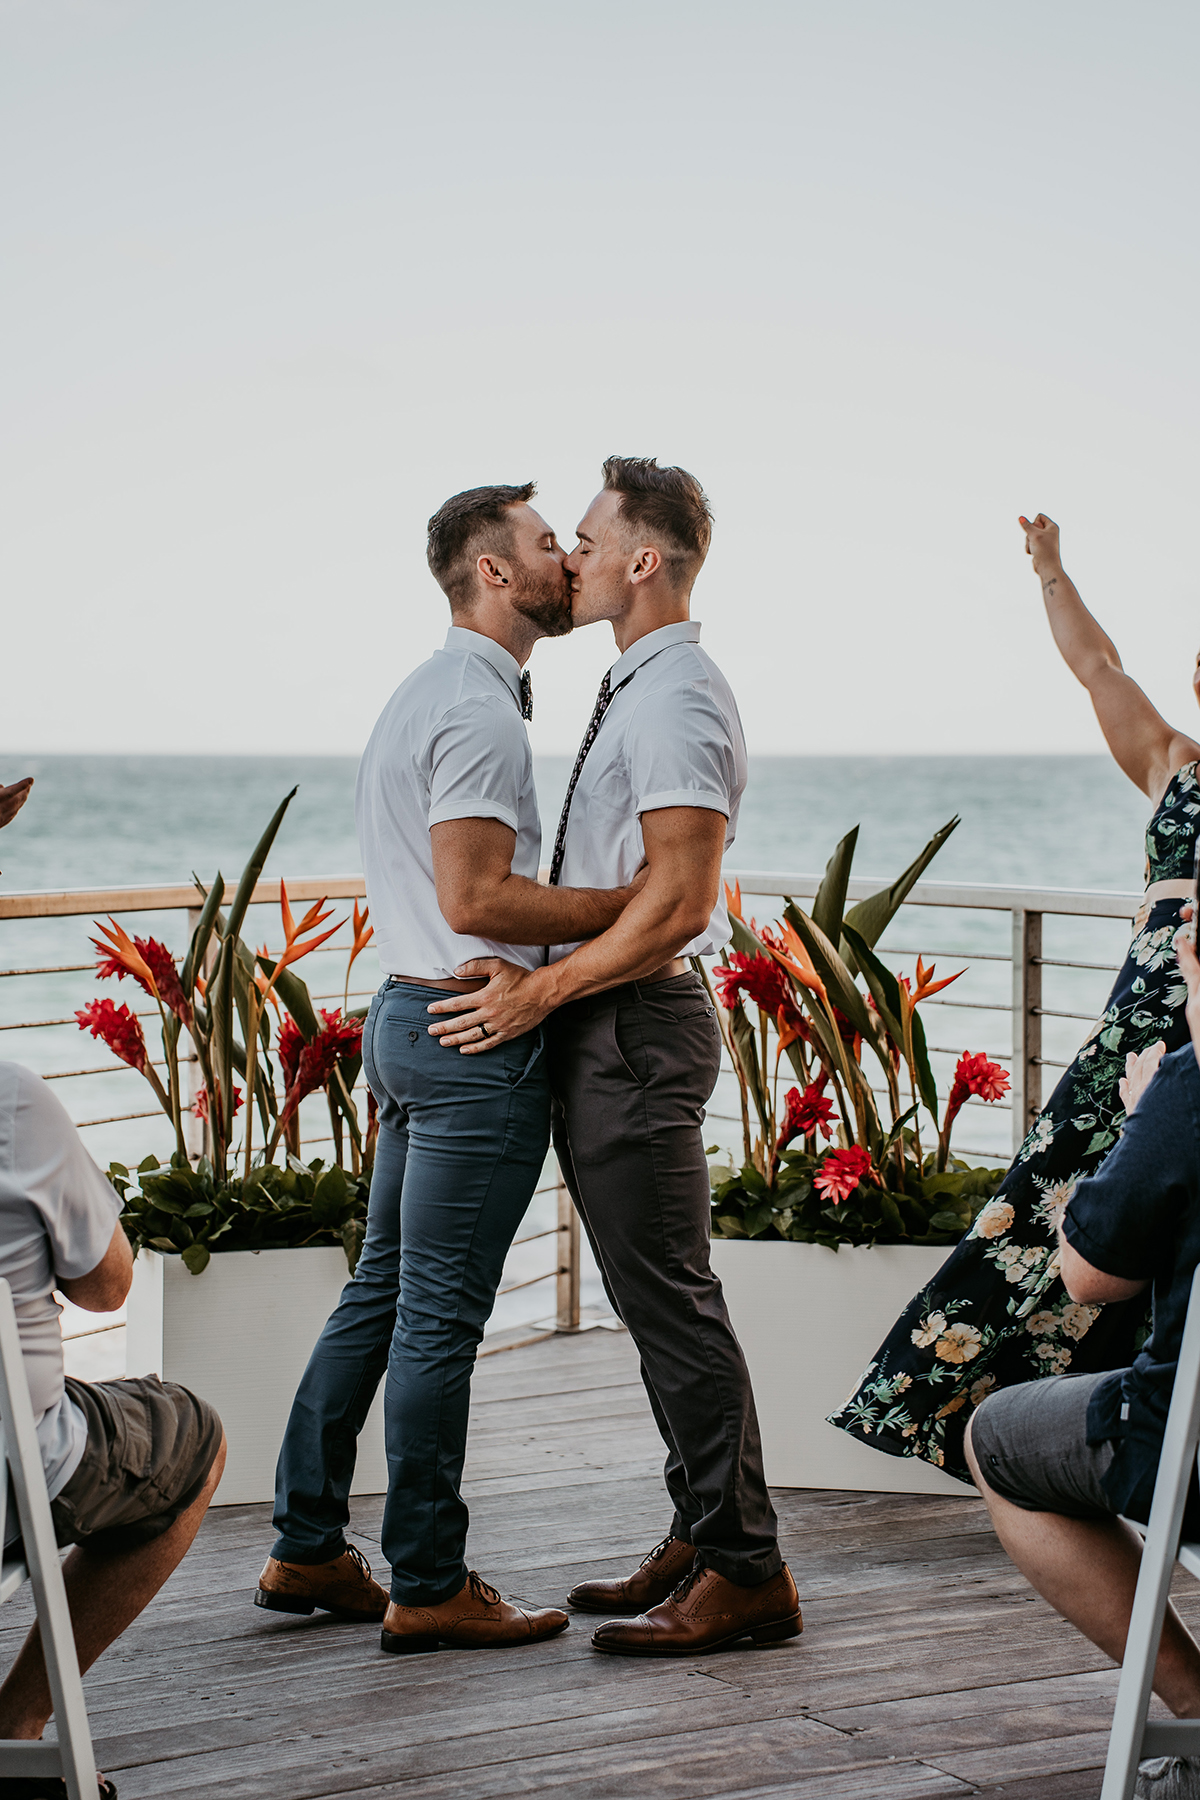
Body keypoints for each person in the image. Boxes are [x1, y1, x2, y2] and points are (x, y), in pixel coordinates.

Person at [259, 482, 647, 1655]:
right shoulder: (477, 711)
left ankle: (308, 1545)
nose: (567, 563)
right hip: (472, 1040)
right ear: (492, 572)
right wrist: (635, 904)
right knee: (436, 1317)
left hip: (406, 1015)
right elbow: (476, 896)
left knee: (381, 1290)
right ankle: (429, 1580)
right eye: (547, 545)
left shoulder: (423, 693)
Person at [428, 456, 799, 1657]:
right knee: (658, 1305)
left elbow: (684, 902)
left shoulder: (680, 694)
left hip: (637, 1031)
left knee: (672, 1304)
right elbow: (625, 886)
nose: (570, 557)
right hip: (614, 1026)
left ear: (644, 560)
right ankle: (705, 1529)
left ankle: (747, 1570)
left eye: (586, 538)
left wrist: (545, 990)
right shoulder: (640, 685)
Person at [831, 511, 1200, 1482]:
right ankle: (990, 1422)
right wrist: (1050, 570)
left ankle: (1144, 1434)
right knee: (1047, 1219)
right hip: (1132, 1045)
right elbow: (1099, 668)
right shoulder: (1178, 769)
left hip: (1191, 1046)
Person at [965, 915, 1200, 1799]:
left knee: (999, 1441)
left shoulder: (1189, 1091)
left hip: (1192, 1451)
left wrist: (1150, 1123)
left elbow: (1089, 1278)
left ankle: (1196, 1710)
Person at [0, 1062, 226, 1800]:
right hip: (14, 1474)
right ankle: (17, 1723)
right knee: (192, 1440)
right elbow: (108, 1286)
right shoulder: (10, 1100)